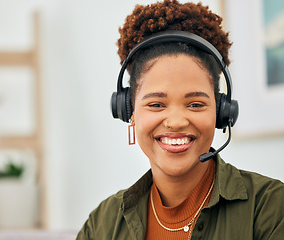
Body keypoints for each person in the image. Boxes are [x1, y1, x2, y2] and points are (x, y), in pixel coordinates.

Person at [76, 0, 284, 239]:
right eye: (156, 104)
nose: (175, 122)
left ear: (221, 111)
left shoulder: (270, 208)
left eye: (195, 104)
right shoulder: (102, 225)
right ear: (129, 111)